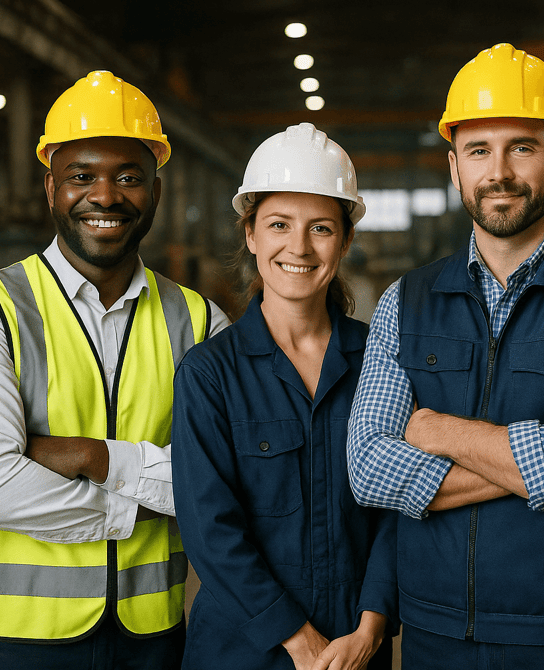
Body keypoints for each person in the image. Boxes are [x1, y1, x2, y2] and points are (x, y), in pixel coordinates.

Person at [346, 43, 544, 668]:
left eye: (522, 146)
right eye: (478, 151)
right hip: (433, 633)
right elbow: (368, 470)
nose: (500, 171)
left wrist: (435, 430)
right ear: (454, 166)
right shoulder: (403, 303)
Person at [0, 70, 229, 669]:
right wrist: (146, 499)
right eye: (81, 176)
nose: (106, 195)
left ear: (156, 192)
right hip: (5, 640)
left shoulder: (200, 322)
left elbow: (232, 478)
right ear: (50, 189)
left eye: (128, 177)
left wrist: (92, 459)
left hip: (150, 639)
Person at [170, 122, 398, 670]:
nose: (298, 247)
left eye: (320, 228)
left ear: (344, 241)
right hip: (243, 651)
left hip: (354, 647)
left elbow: (401, 509)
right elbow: (210, 529)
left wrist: (370, 629)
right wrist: (300, 641)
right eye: (278, 224)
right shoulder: (209, 374)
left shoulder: (381, 362)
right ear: (251, 235)